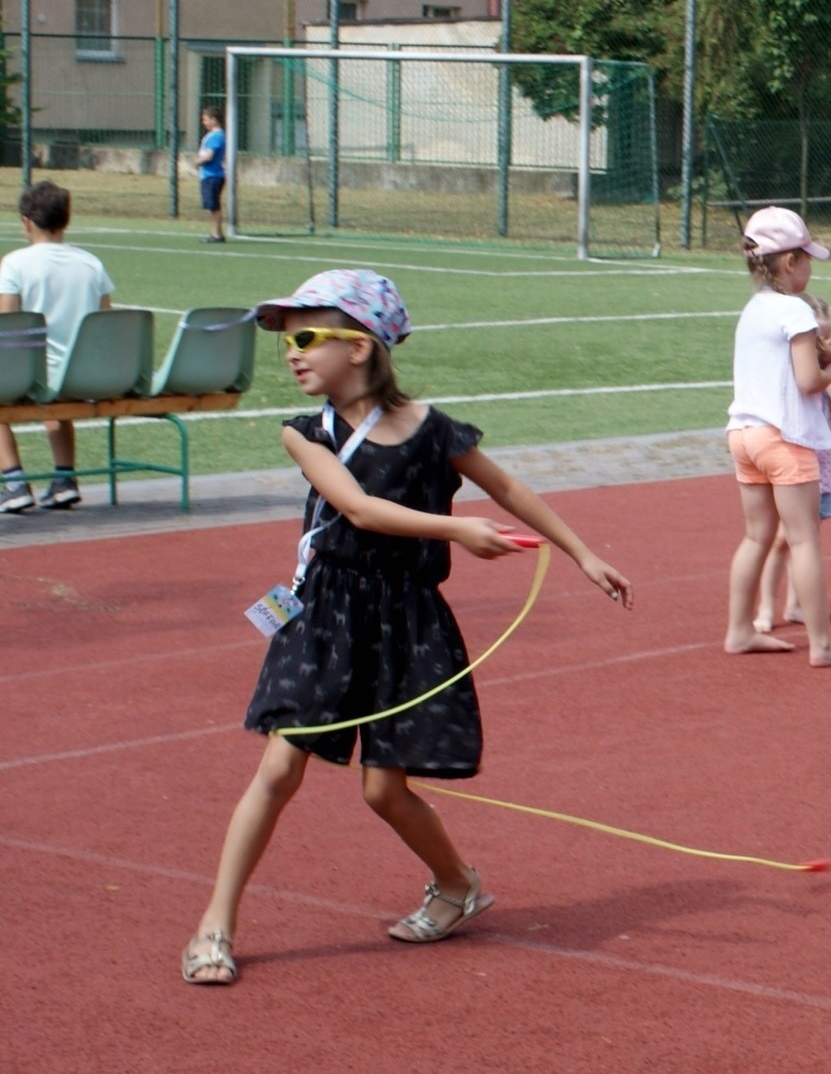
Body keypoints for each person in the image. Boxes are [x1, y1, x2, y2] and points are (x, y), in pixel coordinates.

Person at [179, 269, 633, 985]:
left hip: (407, 619)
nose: (291, 354)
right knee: (279, 766)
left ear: (359, 347)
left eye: (305, 338)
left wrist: (583, 553)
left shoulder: (435, 431)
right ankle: (214, 925)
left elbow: (506, 487)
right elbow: (357, 510)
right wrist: (457, 528)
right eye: (286, 343)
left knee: (384, 791)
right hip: (325, 610)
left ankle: (458, 884)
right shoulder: (308, 434)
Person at [723, 207, 831, 667]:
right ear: (791, 262)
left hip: (743, 433)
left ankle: (740, 630)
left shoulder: (754, 307)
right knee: (803, 541)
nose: (810, 267)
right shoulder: (795, 309)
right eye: (807, 258)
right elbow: (808, 382)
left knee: (756, 537)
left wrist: (821, 359)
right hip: (784, 438)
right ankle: (822, 644)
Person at [0, 181, 115, 514]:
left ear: (26, 222)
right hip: (86, 377)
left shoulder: (15, 263)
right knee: (58, 389)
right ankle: (64, 478)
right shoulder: (92, 264)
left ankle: (14, 481)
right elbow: (106, 324)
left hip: (39, 378)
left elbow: (7, 325)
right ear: (66, 219)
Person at [755, 294, 831, 634]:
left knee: (808, 540)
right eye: (815, 337)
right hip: (792, 458)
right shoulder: (789, 365)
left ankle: (796, 604)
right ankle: (766, 605)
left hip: (820, 462)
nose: (819, 343)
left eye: (824, 337)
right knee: (782, 539)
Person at [196, 107, 226, 243]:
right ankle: (216, 233)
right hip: (210, 175)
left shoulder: (216, 136)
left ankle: (216, 235)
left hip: (212, 175)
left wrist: (198, 161)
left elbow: (209, 156)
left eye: (205, 119)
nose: (204, 122)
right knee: (213, 206)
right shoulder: (214, 135)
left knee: (214, 206)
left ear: (213, 120)